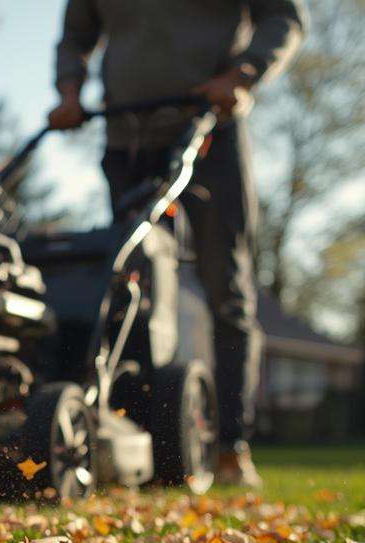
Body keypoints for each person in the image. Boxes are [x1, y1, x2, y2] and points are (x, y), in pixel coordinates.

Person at [49, 0, 307, 488]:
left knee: (226, 289)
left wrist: (244, 74)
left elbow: (284, 17)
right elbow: (75, 38)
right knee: (127, 286)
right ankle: (138, 437)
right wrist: (69, 91)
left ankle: (231, 446)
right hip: (127, 137)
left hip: (211, 128)